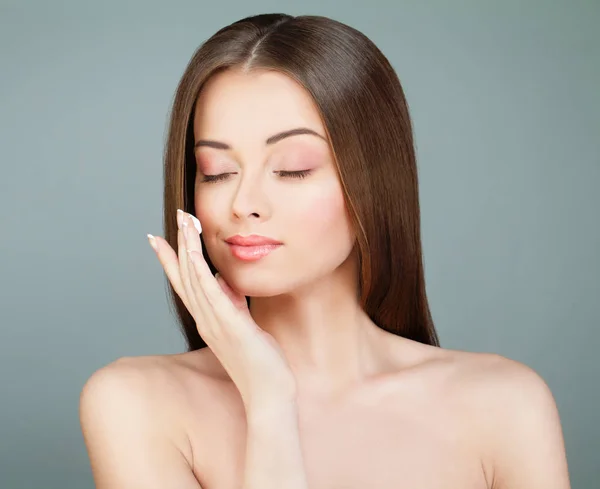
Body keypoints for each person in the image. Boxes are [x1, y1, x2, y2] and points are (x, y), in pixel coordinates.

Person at [79, 13, 571, 489]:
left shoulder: (504, 405)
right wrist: (270, 400)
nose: (242, 203)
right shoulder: (135, 402)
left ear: (373, 181)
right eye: (216, 171)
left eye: (292, 169)